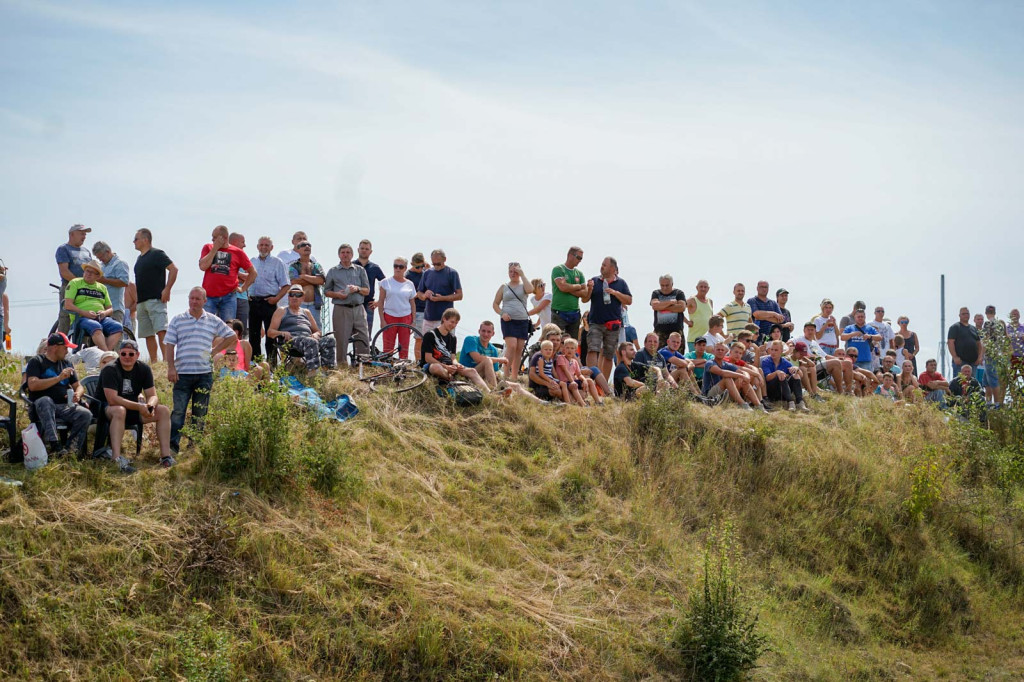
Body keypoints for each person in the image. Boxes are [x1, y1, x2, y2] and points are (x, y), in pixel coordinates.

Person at [164, 287, 237, 453]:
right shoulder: (178, 319)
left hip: (204, 373)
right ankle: (172, 447)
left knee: (200, 411)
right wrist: (170, 367)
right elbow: (169, 344)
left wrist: (214, 351)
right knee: (178, 412)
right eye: (191, 298)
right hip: (182, 373)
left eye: (197, 299)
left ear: (205, 301)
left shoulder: (212, 320)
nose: (194, 301)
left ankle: (193, 446)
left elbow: (232, 336)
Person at [100, 339, 174, 471]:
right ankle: (116, 459)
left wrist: (149, 406)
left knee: (163, 410)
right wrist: (139, 406)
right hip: (107, 410)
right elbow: (112, 399)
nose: (127, 357)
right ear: (119, 354)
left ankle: (165, 456)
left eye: (131, 354)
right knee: (119, 410)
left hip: (134, 409)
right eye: (123, 354)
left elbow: (152, 395)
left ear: (137, 355)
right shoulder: (110, 369)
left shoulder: (144, 368)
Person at [25, 332, 93, 457]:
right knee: (46, 400)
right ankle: (55, 446)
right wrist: (59, 378)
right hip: (40, 406)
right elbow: (32, 385)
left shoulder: (67, 364)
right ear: (55, 347)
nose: (67, 351)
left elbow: (78, 386)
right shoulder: (37, 361)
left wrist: (77, 394)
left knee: (85, 414)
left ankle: (70, 451)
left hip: (63, 406)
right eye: (65, 347)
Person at [133, 227, 178, 363]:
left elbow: (173, 269)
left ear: (145, 240)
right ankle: (154, 362)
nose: (133, 242)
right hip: (142, 302)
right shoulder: (139, 259)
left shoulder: (157, 253)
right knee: (147, 334)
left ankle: (166, 361)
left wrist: (167, 289)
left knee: (161, 330)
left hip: (156, 299)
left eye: (136, 239)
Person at [267, 285, 337, 372]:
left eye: (298, 295)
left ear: (303, 298)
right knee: (310, 341)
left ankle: (328, 371)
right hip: (291, 340)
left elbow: (318, 331)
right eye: (292, 294)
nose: (294, 297)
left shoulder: (306, 312)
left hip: (308, 339)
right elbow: (270, 332)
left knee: (330, 340)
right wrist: (281, 333)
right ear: (288, 297)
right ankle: (313, 373)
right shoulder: (282, 311)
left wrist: (315, 334)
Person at [584, 256, 632, 381]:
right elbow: (584, 299)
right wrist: (589, 289)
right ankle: (591, 381)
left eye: (604, 265)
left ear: (613, 268)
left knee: (608, 355)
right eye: (602, 264)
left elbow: (629, 300)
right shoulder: (594, 281)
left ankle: (602, 385)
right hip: (595, 322)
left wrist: (616, 293)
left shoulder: (621, 283)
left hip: (613, 325)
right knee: (592, 350)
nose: (601, 267)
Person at [420, 308, 489, 392]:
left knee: (472, 371)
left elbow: (453, 358)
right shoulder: (430, 335)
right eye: (452, 322)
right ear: (444, 319)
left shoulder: (453, 338)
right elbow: (428, 358)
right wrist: (446, 367)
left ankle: (490, 393)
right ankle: (453, 380)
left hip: (450, 367)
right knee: (436, 367)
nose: (454, 325)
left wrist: (457, 365)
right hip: (433, 365)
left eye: (456, 323)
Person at [324, 244, 370, 366]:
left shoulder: (360, 270)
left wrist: (357, 288)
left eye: (348, 252)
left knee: (363, 337)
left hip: (359, 308)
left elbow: (367, 290)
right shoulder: (333, 271)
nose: (345, 254)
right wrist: (337, 295)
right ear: (339, 255)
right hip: (341, 309)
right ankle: (342, 368)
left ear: (352, 254)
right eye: (343, 252)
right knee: (341, 339)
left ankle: (363, 366)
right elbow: (326, 292)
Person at [247, 236, 291, 361]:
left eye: (266, 245)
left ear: (271, 247)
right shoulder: (252, 261)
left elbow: (286, 284)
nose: (263, 247)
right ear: (257, 246)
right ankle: (256, 366)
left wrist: (276, 299)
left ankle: (271, 367)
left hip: (269, 303)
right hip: (253, 302)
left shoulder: (277, 262)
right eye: (261, 245)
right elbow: (247, 279)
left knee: (270, 336)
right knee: (253, 336)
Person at [198, 225, 255, 322]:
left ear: (224, 238)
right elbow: (202, 266)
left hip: (228, 297)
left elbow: (253, 273)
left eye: (215, 237)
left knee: (228, 327)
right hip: (209, 296)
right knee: (206, 325)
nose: (212, 239)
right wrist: (215, 248)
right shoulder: (208, 247)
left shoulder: (238, 252)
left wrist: (243, 288)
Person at [64, 260, 123, 351]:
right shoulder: (75, 282)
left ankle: (104, 355)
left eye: (92, 272)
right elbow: (68, 305)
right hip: (80, 319)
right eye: (87, 271)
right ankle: (106, 355)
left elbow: (110, 309)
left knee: (118, 327)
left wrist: (104, 313)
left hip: (101, 318)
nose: (88, 274)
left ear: (97, 276)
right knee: (95, 326)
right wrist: (84, 313)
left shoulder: (102, 287)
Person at [492, 264, 534, 381]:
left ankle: (514, 377)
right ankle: (505, 375)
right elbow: (495, 304)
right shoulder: (504, 286)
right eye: (510, 271)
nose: (513, 273)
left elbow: (531, 290)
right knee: (512, 346)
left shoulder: (524, 284)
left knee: (519, 348)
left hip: (522, 320)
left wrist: (523, 275)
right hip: (508, 320)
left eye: (515, 271)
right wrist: (502, 313)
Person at [55, 224, 94, 334]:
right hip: (69, 287)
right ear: (72, 234)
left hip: (87, 289)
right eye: (81, 233)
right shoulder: (63, 249)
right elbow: (64, 271)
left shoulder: (86, 251)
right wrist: (79, 283)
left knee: (87, 316)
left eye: (85, 234)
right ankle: (61, 345)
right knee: (65, 317)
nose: (84, 236)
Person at [703, 341, 763, 411]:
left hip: (723, 394)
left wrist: (747, 377)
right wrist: (743, 376)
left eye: (722, 350)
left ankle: (759, 406)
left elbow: (742, 371)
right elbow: (722, 372)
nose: (720, 351)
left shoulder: (726, 364)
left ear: (725, 352)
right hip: (710, 396)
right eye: (718, 350)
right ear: (713, 351)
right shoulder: (710, 362)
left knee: (743, 380)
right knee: (728, 379)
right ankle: (743, 404)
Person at [378, 257, 418, 359]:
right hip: (389, 317)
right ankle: (387, 366)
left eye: (401, 266)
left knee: (404, 346)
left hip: (405, 317)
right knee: (388, 347)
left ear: (405, 268)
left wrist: (413, 321)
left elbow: (412, 303)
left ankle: (402, 367)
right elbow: (381, 302)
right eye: (395, 266)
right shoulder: (385, 282)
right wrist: (382, 320)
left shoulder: (410, 284)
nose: (398, 269)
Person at [417, 249, 463, 334]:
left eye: (438, 264)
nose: (436, 266)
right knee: (427, 346)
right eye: (434, 264)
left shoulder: (452, 273)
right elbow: (419, 293)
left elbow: (459, 295)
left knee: (445, 346)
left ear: (444, 259)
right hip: (428, 318)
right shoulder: (427, 273)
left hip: (446, 320)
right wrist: (425, 295)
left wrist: (442, 298)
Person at [458, 320, 508, 390]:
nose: (486, 334)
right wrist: (500, 359)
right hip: (468, 375)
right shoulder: (470, 340)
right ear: (479, 331)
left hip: (484, 377)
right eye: (483, 331)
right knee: (487, 360)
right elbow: (477, 359)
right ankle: (495, 392)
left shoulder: (494, 350)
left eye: (489, 332)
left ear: (493, 333)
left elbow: (494, 372)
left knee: (516, 386)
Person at [550, 246, 586, 338]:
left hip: (575, 313)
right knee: (556, 341)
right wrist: (578, 286)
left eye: (581, 258)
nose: (580, 260)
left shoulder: (579, 273)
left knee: (572, 343)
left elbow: (585, 293)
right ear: (570, 255)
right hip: (559, 313)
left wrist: (568, 288)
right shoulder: (558, 269)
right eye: (578, 257)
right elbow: (562, 287)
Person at [761, 340, 808, 411]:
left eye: (776, 350)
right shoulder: (766, 361)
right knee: (781, 375)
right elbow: (767, 378)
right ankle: (790, 402)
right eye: (772, 349)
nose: (773, 352)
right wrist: (777, 372)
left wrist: (797, 369)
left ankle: (800, 402)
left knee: (796, 375)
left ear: (781, 351)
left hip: (783, 390)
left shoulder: (785, 362)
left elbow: (800, 376)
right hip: (772, 391)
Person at [91, 241, 130, 326]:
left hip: (115, 309)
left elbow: (124, 282)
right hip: (101, 310)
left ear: (108, 251)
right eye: (98, 258)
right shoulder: (101, 266)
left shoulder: (120, 263)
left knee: (115, 336)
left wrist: (105, 280)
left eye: (101, 257)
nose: (100, 260)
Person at [558, 338, 603, 405]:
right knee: (574, 386)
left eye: (572, 348)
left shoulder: (575, 361)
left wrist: (584, 380)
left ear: (575, 351)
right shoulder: (561, 358)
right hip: (566, 382)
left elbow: (579, 374)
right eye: (567, 348)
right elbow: (565, 370)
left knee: (589, 381)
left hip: (573, 381)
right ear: (564, 349)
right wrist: (572, 381)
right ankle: (583, 404)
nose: (569, 350)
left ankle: (598, 401)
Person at [288, 240, 326, 316]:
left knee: (315, 327)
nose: (307, 246)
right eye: (303, 245)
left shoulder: (316, 266)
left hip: (315, 305)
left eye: (309, 245)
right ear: (298, 250)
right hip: (299, 304)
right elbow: (294, 282)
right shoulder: (293, 266)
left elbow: (321, 280)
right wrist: (313, 280)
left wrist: (303, 276)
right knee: (299, 327)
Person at [650, 275, 688, 348]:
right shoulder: (656, 293)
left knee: (678, 356)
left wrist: (662, 307)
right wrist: (670, 302)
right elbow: (655, 306)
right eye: (662, 285)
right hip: (660, 331)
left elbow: (682, 307)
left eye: (667, 285)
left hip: (676, 331)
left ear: (672, 284)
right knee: (658, 356)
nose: (664, 288)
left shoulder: (679, 293)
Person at [356, 239, 386, 333]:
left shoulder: (375, 268)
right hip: (354, 303)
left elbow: (385, 285)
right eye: (362, 248)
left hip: (368, 304)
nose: (364, 250)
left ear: (370, 251)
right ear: (358, 250)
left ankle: (366, 348)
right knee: (353, 334)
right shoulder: (352, 265)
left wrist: (378, 301)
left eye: (366, 249)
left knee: (366, 333)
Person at [981, 305, 1007, 406]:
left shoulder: (987, 323)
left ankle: (997, 404)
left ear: (986, 313)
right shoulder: (1000, 324)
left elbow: (986, 340)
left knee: (992, 380)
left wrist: (981, 356)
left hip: (990, 355)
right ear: (994, 313)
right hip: (998, 354)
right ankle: (988, 403)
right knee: (986, 381)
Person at [947, 307, 983, 377]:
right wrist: (955, 357)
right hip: (960, 362)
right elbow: (950, 342)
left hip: (973, 363)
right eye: (963, 314)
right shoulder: (955, 327)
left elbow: (979, 344)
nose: (966, 315)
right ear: (959, 315)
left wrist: (979, 357)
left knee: (972, 385)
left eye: (967, 314)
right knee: (959, 384)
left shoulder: (974, 329)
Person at [406, 253, 428, 360]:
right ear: (412, 264)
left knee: (428, 339)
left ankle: (426, 361)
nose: (420, 269)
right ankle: (418, 361)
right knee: (419, 338)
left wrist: (428, 268)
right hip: (417, 310)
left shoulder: (426, 273)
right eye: (417, 266)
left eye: (422, 266)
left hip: (428, 310)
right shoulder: (408, 275)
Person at [228, 233, 250, 333]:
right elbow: (223, 275)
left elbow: (250, 277)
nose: (244, 245)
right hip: (226, 298)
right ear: (235, 242)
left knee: (242, 331)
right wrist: (240, 276)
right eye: (243, 242)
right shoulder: (224, 256)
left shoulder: (243, 257)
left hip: (243, 298)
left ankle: (241, 349)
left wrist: (233, 273)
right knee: (228, 329)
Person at [685, 280, 713, 352]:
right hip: (694, 340)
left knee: (707, 362)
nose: (703, 289)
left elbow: (711, 319)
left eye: (705, 287)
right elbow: (679, 309)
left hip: (707, 340)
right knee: (694, 362)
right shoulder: (692, 300)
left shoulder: (710, 301)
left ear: (708, 289)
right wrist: (687, 322)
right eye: (701, 287)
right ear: (697, 288)